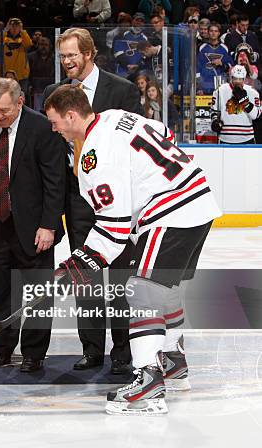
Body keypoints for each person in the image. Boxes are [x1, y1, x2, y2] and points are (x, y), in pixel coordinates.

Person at [44, 84, 222, 415]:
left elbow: (115, 228)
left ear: (71, 115)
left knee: (140, 292)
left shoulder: (95, 157)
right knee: (163, 291)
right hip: (198, 200)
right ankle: (173, 363)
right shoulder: (114, 116)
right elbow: (163, 132)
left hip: (172, 212)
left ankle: (149, 383)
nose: (53, 128)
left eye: (55, 121)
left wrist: (79, 263)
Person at [43, 27, 144, 374]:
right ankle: (91, 349)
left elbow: (134, 147)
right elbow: (54, 159)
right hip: (78, 202)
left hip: (117, 202)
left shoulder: (122, 90)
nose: (67, 62)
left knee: (119, 278)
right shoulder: (53, 93)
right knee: (84, 276)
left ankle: (123, 351)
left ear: (89, 54)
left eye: (72, 55)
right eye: (62, 56)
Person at [0, 78, 65, 373]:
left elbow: (55, 182)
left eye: (5, 111)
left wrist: (49, 225)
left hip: (35, 227)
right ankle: (1, 349)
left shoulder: (41, 127)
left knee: (37, 293)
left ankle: (34, 353)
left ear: (20, 102)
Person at [211, 64, 262, 144]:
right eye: (235, 78)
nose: (237, 81)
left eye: (240, 79)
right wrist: (215, 121)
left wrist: (245, 102)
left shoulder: (252, 92)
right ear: (231, 78)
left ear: (244, 79)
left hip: (247, 137)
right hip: (225, 137)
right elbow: (214, 111)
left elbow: (255, 115)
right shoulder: (220, 90)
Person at [196, 22, 232, 94]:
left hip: (220, 83)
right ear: (208, 32)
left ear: (219, 33)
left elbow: (230, 66)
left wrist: (222, 64)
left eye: (216, 31)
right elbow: (197, 67)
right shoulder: (201, 47)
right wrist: (199, 86)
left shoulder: (225, 48)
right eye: (211, 31)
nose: (213, 33)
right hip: (204, 84)